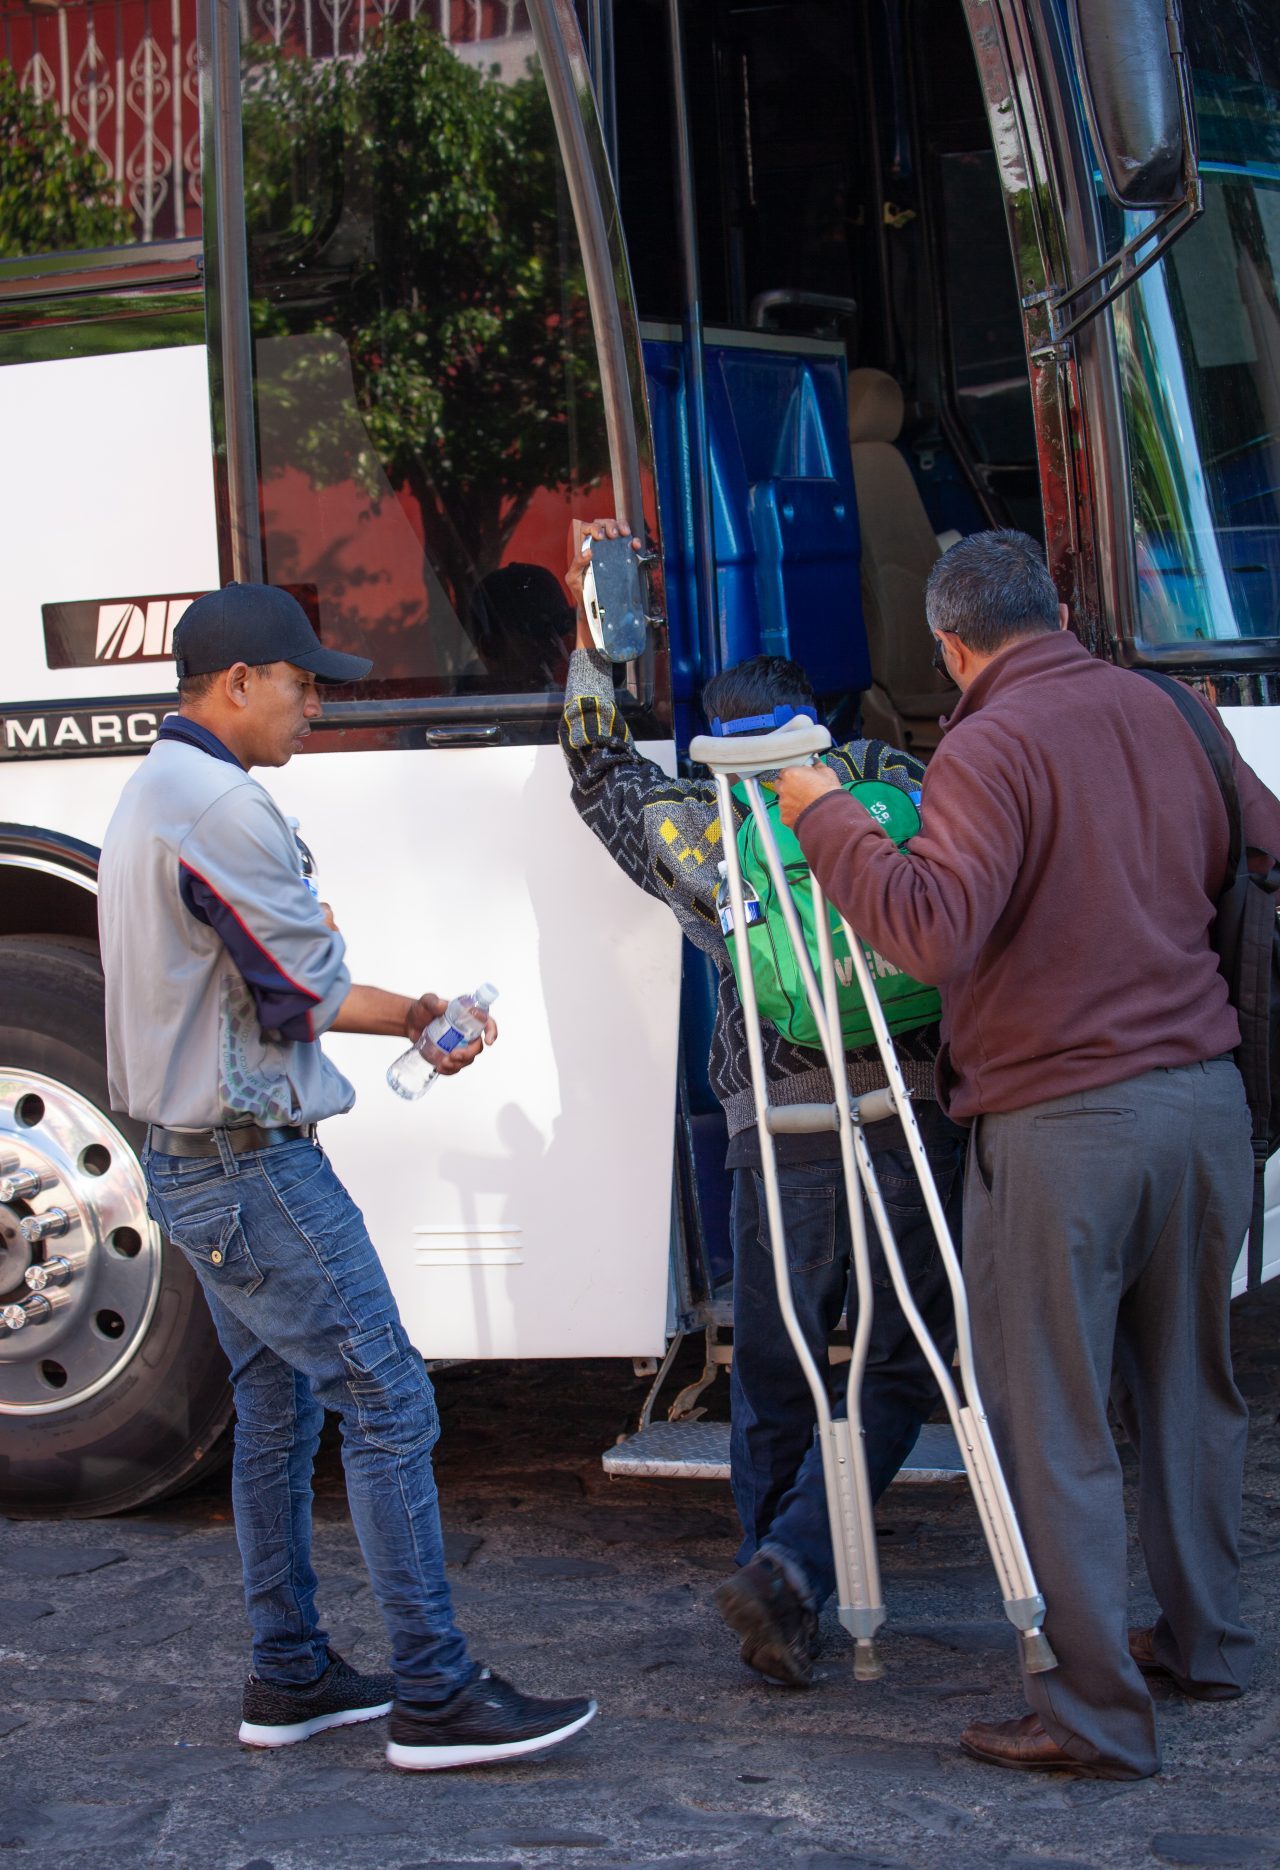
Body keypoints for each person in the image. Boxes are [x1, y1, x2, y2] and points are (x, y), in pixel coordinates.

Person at [775, 529, 1280, 1779]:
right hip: (1204, 1099)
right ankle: (1203, 1641)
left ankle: (1094, 1716)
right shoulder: (1171, 707)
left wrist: (823, 815)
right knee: (1187, 1386)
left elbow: (925, 930)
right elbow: (1259, 850)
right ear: (1052, 610)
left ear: (950, 645)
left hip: (1066, 1122)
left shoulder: (984, 742)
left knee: (1049, 1422)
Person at [98, 581, 595, 1772]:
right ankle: (433, 1690)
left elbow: (263, 985)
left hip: (194, 1164)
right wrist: (427, 1014)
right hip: (250, 1165)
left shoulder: (152, 793)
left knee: (276, 1409)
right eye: (301, 682)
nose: (314, 704)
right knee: (388, 1397)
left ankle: (291, 1673)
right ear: (235, 686)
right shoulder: (219, 805)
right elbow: (305, 991)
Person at [559, 519, 965, 1688]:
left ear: (710, 744)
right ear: (813, 724)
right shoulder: (891, 788)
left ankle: (772, 1585)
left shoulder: (694, 826)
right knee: (893, 1363)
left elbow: (592, 763)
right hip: (908, 1115)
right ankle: (796, 1562)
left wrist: (598, 636)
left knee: (777, 1368)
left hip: (772, 1136)